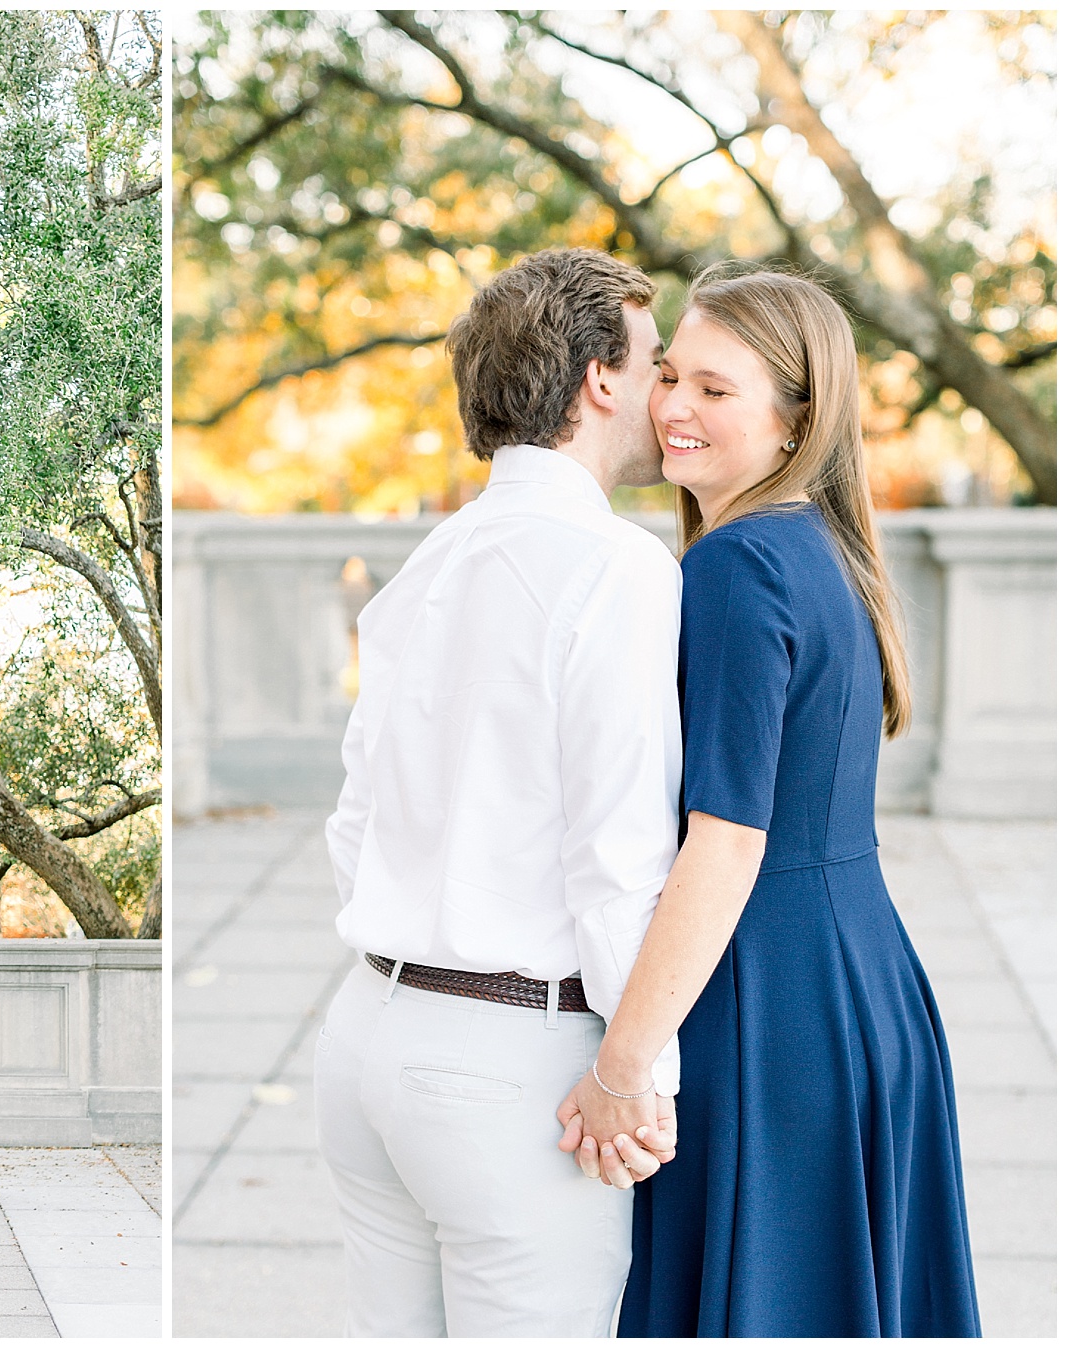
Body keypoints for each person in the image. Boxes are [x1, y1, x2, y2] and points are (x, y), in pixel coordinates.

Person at [554, 266, 980, 1336]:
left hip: (769, 1006)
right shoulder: (816, 549)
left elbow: (726, 844)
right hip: (863, 983)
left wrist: (621, 1067)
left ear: (797, 422)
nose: (675, 409)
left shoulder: (737, 566)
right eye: (672, 378)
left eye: (717, 390)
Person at [315, 248, 682, 1337]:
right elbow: (620, 865)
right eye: (657, 363)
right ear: (599, 380)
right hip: (512, 1070)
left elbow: (353, 820)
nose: (668, 393)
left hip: (368, 1034)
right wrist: (640, 1075)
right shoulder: (616, 568)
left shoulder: (431, 562)